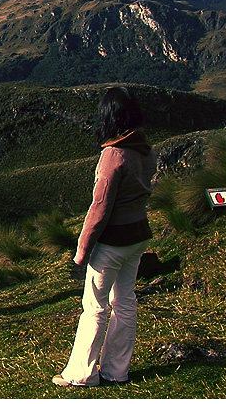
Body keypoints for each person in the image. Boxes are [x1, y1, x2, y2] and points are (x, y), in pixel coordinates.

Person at [54, 86, 154, 387]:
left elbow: (99, 208)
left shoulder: (113, 155)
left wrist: (82, 250)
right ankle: (116, 371)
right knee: (125, 302)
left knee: (95, 306)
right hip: (138, 235)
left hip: (112, 243)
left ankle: (82, 374)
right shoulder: (146, 150)